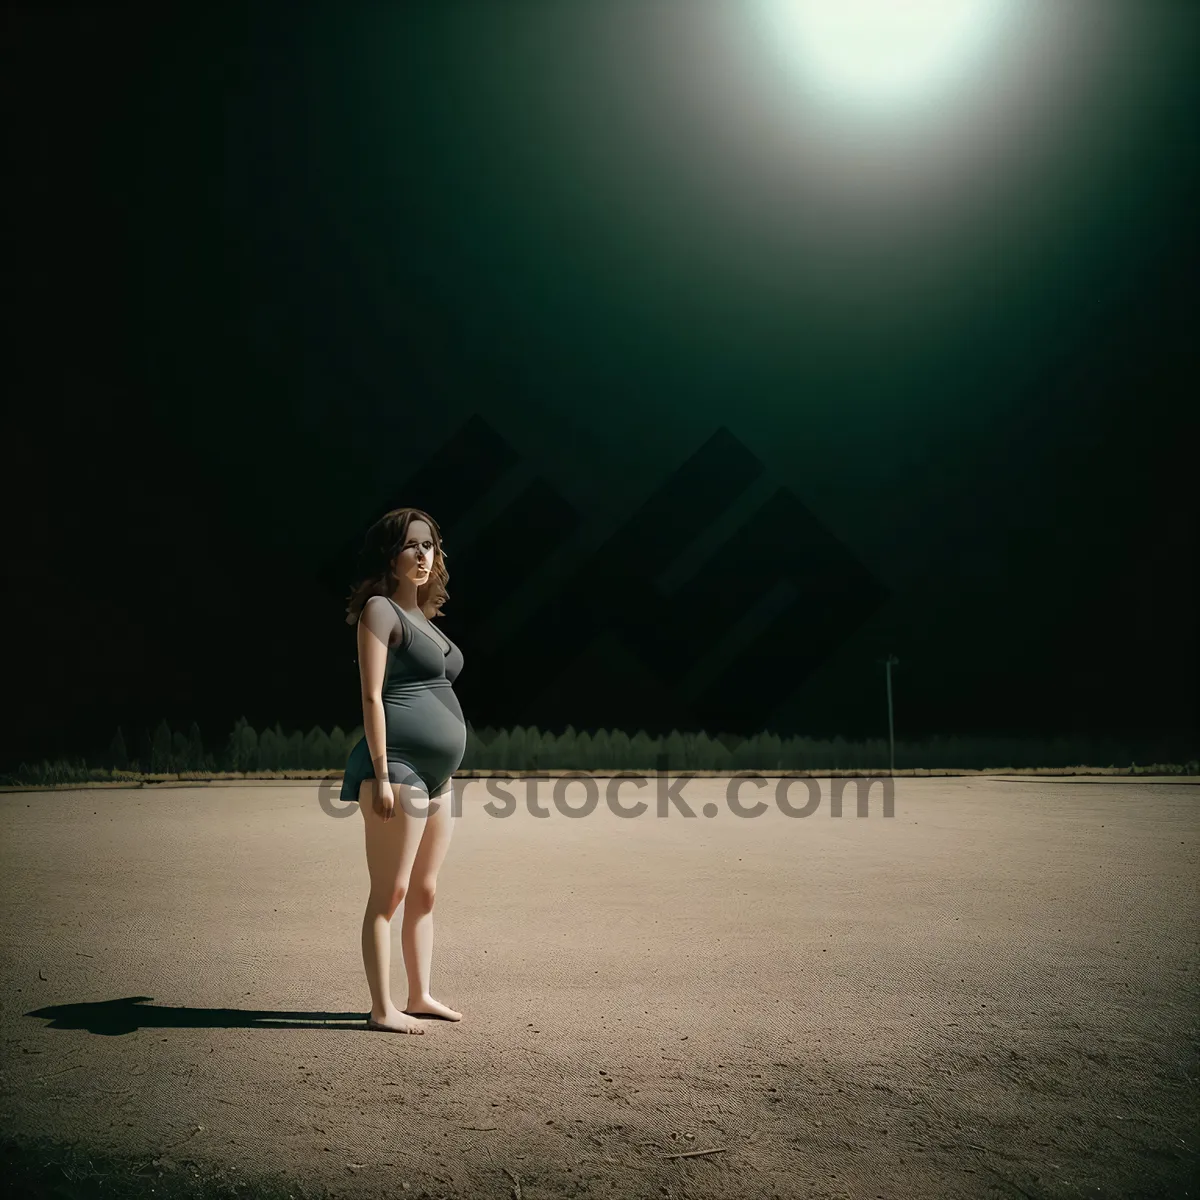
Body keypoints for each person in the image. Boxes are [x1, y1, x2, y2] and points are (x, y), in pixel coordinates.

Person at [341, 507, 467, 1034]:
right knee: (388, 893)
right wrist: (382, 773)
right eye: (411, 545)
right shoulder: (379, 610)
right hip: (398, 769)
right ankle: (381, 1008)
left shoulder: (426, 621)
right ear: (389, 556)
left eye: (430, 545)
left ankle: (419, 996)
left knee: (426, 890)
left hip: (438, 778)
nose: (422, 554)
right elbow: (371, 695)